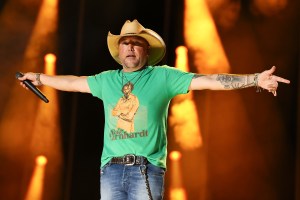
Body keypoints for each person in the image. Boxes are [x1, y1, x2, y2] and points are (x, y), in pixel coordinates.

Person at [17, 19, 290, 200]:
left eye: (137, 43)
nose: (131, 47)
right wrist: (39, 78)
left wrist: (254, 79)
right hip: (110, 171)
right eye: (126, 43)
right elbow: (73, 83)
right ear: (119, 51)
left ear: (146, 51)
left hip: (144, 170)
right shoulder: (107, 80)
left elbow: (209, 81)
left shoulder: (163, 77)